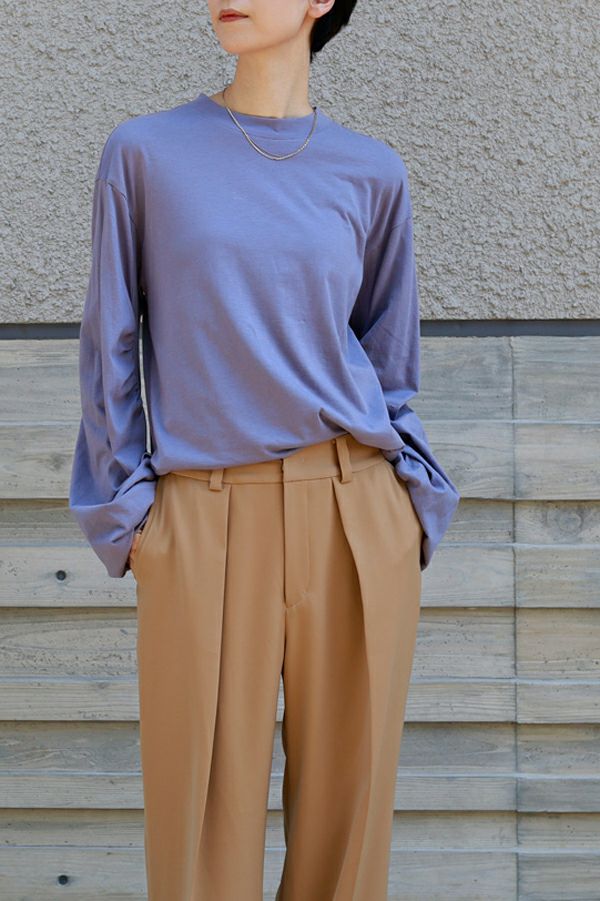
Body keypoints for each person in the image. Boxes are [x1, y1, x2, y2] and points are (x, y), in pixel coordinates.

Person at [69, 1, 460, 898]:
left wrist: (409, 505)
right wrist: (131, 517)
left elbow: (390, 358)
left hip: (355, 511)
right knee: (200, 843)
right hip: (203, 516)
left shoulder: (372, 171)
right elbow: (108, 344)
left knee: (345, 846)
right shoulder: (146, 153)